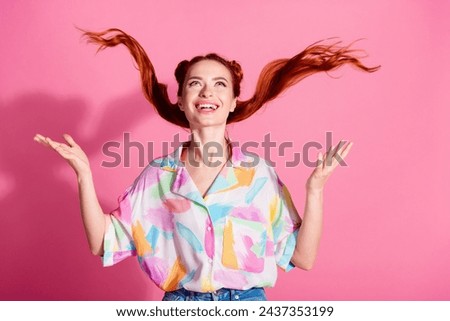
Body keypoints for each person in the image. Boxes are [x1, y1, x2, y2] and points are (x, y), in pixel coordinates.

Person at [34, 28, 379, 301]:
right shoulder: (158, 176)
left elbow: (302, 258)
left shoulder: (258, 175)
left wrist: (314, 191)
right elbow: (103, 242)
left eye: (219, 84)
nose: (207, 92)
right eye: (195, 84)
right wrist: (83, 175)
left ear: (231, 102)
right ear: (182, 101)